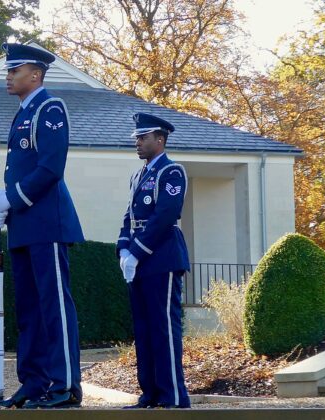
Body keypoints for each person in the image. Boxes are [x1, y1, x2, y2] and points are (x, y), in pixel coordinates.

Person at [0, 43, 84, 409]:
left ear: (36, 74)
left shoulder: (49, 107)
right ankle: (34, 381)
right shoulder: (22, 114)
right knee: (28, 309)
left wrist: (14, 198)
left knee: (54, 305)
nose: (8, 76)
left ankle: (66, 384)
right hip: (26, 225)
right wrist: (7, 205)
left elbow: (50, 167)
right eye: (8, 70)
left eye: (15, 70)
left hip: (47, 223)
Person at [116, 112, 191, 409]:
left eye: (143, 137)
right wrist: (123, 248)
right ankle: (150, 394)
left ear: (159, 139)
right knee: (144, 328)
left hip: (162, 258)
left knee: (163, 328)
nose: (138, 142)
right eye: (137, 137)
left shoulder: (171, 171)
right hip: (140, 258)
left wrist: (136, 251)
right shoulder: (139, 175)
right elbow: (128, 217)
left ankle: (173, 395)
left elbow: (165, 216)